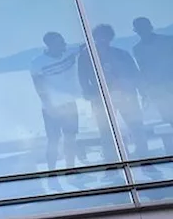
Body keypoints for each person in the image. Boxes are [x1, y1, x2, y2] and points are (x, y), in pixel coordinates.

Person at [78, 24, 148, 158]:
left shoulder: (121, 54)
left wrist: (142, 91)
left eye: (106, 36)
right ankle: (114, 159)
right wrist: (89, 93)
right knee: (106, 131)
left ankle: (144, 156)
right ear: (95, 38)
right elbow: (82, 77)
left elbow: (135, 74)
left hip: (126, 95)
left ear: (110, 37)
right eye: (99, 36)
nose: (103, 39)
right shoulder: (86, 56)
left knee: (136, 125)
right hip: (101, 98)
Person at [31, 32, 81, 171]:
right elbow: (39, 86)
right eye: (60, 43)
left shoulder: (69, 53)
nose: (64, 45)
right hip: (50, 107)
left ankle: (70, 169)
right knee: (53, 140)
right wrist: (49, 105)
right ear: (50, 45)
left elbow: (87, 46)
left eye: (63, 42)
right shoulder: (38, 63)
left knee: (70, 138)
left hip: (69, 104)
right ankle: (52, 171)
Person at [132, 17, 173, 154]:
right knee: (168, 118)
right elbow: (142, 69)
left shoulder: (167, 41)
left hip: (167, 84)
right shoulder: (138, 49)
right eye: (139, 29)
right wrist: (145, 89)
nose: (142, 31)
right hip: (158, 89)